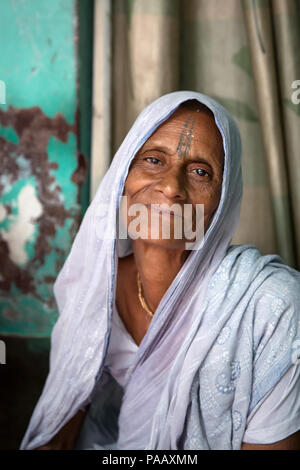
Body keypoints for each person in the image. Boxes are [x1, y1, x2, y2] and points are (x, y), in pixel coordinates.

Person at [20, 91, 300, 450]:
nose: (170, 187)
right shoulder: (95, 284)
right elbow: (66, 408)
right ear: (122, 176)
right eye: (153, 160)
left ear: (222, 201)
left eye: (201, 171)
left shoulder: (270, 310)